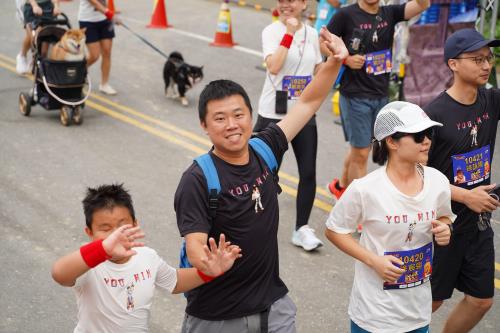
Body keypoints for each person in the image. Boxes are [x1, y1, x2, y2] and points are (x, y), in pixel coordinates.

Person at [174, 28, 347, 333]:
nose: (232, 125)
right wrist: (206, 263)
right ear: (204, 126)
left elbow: (307, 103)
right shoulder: (198, 179)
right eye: (219, 118)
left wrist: (335, 60)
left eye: (239, 115)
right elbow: (195, 243)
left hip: (273, 308)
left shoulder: (264, 148)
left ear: (251, 116)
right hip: (217, 316)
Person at [325, 101, 455, 332]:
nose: (427, 141)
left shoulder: (438, 181)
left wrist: (445, 229)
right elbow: (334, 230)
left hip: (417, 313)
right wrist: (373, 261)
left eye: (429, 133)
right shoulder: (365, 189)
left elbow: (445, 217)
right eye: (418, 135)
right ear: (392, 141)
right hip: (373, 315)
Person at [51, 184, 242, 332]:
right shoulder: (88, 261)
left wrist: (209, 272)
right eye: (105, 229)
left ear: (135, 223)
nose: (115, 234)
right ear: (89, 232)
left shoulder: (146, 256)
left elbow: (174, 282)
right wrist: (103, 250)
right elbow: (60, 274)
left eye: (122, 225)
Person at [424, 28, 500, 333]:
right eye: (477, 59)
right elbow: (418, 175)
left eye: (490, 58)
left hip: (479, 223)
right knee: (431, 301)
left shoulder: (492, 101)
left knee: (482, 299)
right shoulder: (434, 114)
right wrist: (465, 195)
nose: (486, 65)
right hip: (444, 223)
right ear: (453, 64)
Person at [325, 0, 430, 200]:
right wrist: (345, 59)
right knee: (362, 153)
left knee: (358, 148)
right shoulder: (345, 15)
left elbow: (422, 5)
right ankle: (362, 208)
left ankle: (340, 186)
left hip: (381, 95)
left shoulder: (390, 12)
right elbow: (323, 44)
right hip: (355, 96)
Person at [254, 0, 324, 251]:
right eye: (281, 1)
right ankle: (256, 227)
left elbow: (317, 69)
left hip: (303, 113)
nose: (285, 5)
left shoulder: (313, 33)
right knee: (264, 176)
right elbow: (274, 66)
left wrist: (330, 56)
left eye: (291, 0)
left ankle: (301, 229)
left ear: (304, 3)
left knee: (308, 173)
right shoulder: (271, 31)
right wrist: (289, 33)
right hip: (273, 112)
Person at [78, 0, 120, 95]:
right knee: (94, 55)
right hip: (88, 21)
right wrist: (111, 15)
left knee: (107, 52)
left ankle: (104, 84)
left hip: (105, 20)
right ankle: (81, 70)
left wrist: (110, 15)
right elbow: (95, 3)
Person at [16, 0, 61, 75]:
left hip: (47, 5)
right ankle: (22, 56)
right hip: (30, 5)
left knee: (44, 45)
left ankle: (37, 63)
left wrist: (56, 6)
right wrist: (34, 5)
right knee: (34, 37)